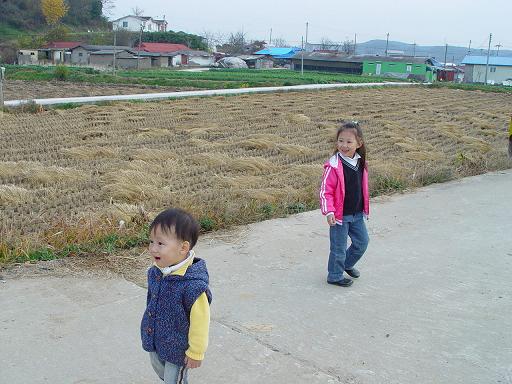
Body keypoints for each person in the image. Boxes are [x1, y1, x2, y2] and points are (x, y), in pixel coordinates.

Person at [141, 208, 212, 384]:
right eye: (151, 242)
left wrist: (196, 352)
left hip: (178, 348)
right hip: (156, 339)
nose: (152, 248)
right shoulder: (156, 272)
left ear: (183, 248)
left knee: (173, 380)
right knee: (159, 368)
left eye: (160, 244)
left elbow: (201, 322)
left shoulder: (193, 286)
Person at [319, 121, 370, 287]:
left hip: (356, 214)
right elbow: (325, 191)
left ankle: (347, 264)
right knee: (338, 248)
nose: (344, 145)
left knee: (362, 242)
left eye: (349, 142)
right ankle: (334, 275)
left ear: (359, 143)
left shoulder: (361, 163)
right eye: (341, 141)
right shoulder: (333, 166)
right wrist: (329, 212)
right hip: (340, 216)